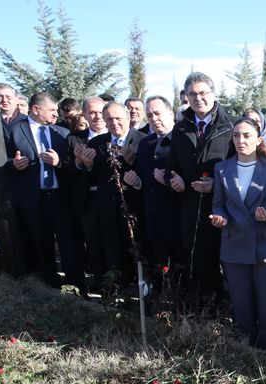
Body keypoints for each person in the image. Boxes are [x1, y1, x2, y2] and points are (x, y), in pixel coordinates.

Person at [210, 117, 266, 351]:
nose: (240, 140)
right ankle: (245, 355)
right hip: (234, 244)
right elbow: (218, 204)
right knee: (241, 305)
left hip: (265, 245)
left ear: (258, 140)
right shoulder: (222, 168)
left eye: (246, 136)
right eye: (236, 135)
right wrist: (219, 217)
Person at [3, 91, 84, 289]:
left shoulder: (62, 133)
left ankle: (76, 287)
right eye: (51, 110)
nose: (56, 114)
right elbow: (2, 162)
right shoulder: (14, 131)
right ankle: (51, 286)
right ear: (36, 109)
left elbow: (71, 167)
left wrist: (58, 163)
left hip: (61, 199)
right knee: (42, 245)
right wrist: (14, 164)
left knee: (69, 245)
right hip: (33, 200)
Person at [166, 71, 235, 303]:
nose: (198, 98)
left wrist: (218, 186)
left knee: (226, 265)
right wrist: (173, 180)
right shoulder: (180, 128)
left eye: (203, 93)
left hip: (223, 210)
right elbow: (170, 168)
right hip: (189, 208)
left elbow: (242, 172)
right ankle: (203, 313)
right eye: (192, 94)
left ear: (213, 94)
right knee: (197, 264)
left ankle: (227, 312)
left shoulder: (231, 126)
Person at [82, 102, 145, 285]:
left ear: (127, 118)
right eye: (109, 119)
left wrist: (132, 162)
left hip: (136, 210)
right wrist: (86, 166)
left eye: (118, 118)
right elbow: (90, 178)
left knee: (140, 253)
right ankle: (121, 292)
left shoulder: (144, 140)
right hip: (109, 211)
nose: (114, 122)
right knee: (115, 254)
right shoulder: (96, 143)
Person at [134, 96, 182, 275]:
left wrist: (170, 182)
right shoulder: (145, 143)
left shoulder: (183, 141)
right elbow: (143, 178)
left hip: (177, 218)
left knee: (182, 269)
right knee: (163, 267)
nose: (154, 119)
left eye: (158, 113)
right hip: (153, 219)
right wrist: (136, 182)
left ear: (170, 114)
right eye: (149, 115)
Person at [68, 96, 108, 290]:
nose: (97, 116)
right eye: (91, 112)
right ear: (84, 114)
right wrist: (80, 163)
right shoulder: (74, 139)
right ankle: (100, 283)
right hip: (88, 201)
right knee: (94, 244)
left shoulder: (117, 136)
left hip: (114, 200)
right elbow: (68, 172)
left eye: (101, 112)